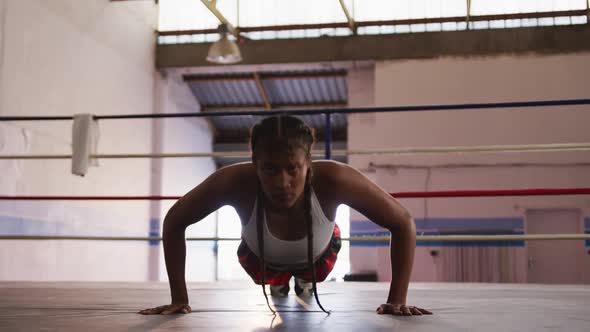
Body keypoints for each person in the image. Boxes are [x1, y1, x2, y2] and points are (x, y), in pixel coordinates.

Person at [139, 115, 431, 316]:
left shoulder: (335, 179)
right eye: (270, 170)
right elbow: (175, 221)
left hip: (319, 256)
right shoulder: (231, 181)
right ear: (254, 163)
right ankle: (281, 281)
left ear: (308, 163)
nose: (282, 182)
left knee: (308, 273)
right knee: (273, 279)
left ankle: (302, 281)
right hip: (259, 260)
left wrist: (397, 300)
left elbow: (402, 222)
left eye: (293, 169)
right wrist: (179, 298)